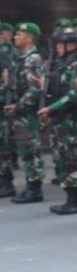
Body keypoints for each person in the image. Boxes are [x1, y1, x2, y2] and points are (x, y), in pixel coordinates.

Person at [39, 27, 77, 214]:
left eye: (62, 44)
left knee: (71, 159)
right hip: (61, 119)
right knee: (61, 158)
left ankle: (76, 200)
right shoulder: (60, 64)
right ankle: (69, 197)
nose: (58, 47)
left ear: (73, 45)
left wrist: (52, 108)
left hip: (72, 119)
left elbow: (75, 94)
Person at [3, 22, 46, 203]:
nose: (15, 37)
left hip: (26, 113)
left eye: (20, 34)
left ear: (29, 37)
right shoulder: (20, 58)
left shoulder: (32, 59)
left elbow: (35, 89)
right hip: (19, 113)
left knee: (30, 150)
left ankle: (34, 188)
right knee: (22, 148)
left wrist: (18, 106)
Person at [0, 21, 17, 197]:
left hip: (4, 102)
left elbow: (7, 82)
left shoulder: (5, 52)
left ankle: (6, 182)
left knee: (4, 145)